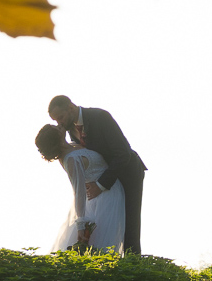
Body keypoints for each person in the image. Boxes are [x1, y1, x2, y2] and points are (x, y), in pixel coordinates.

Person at [47, 96, 146, 256]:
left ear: (71, 107)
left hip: (128, 173)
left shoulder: (100, 117)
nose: (60, 123)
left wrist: (100, 185)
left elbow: (123, 153)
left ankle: (134, 270)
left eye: (60, 117)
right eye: (56, 120)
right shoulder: (71, 130)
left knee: (130, 227)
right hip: (104, 181)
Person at [35, 123, 126, 254]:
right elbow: (78, 191)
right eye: (56, 128)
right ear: (55, 137)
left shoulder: (72, 146)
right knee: (103, 246)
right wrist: (81, 225)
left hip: (109, 191)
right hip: (104, 199)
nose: (59, 126)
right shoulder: (71, 159)